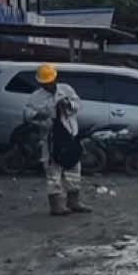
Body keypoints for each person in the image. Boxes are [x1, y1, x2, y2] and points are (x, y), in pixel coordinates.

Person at [24, 63, 90, 216]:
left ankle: (73, 202)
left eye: (51, 82)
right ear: (40, 83)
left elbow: (79, 104)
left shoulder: (66, 90)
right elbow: (27, 114)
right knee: (53, 172)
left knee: (74, 169)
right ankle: (56, 206)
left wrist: (68, 104)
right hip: (50, 139)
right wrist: (40, 116)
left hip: (70, 135)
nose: (49, 85)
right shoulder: (36, 97)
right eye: (45, 83)